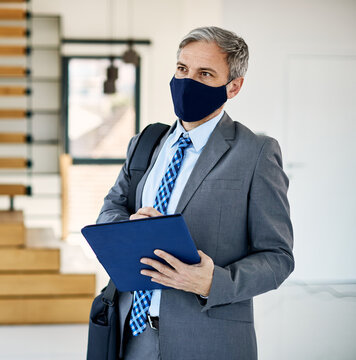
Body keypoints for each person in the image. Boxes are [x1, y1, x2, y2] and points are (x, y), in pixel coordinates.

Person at [96, 26, 294, 360]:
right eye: (182, 69)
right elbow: (109, 211)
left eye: (205, 73)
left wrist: (212, 282)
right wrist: (129, 224)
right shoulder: (145, 144)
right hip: (132, 334)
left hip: (209, 339)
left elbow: (277, 257)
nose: (188, 82)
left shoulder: (256, 153)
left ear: (233, 86)